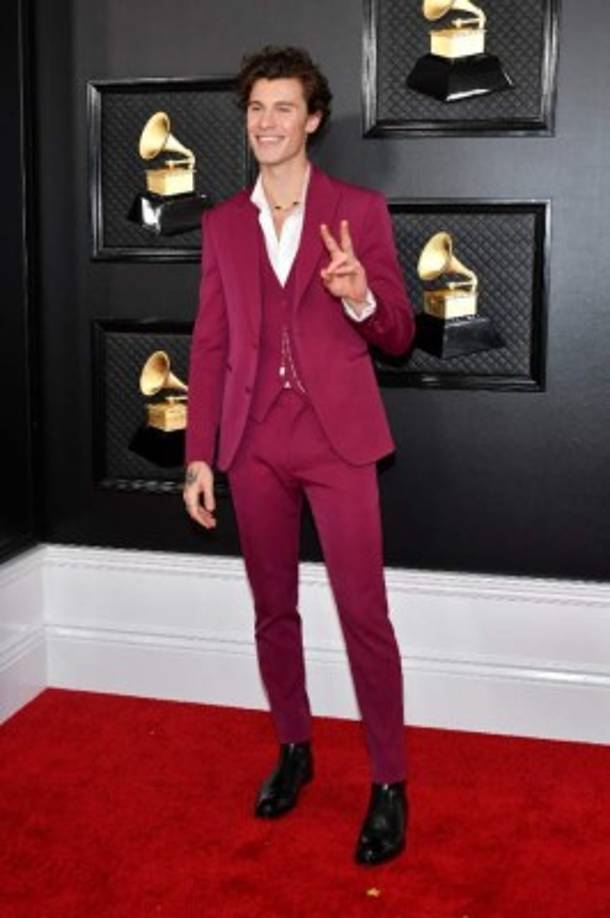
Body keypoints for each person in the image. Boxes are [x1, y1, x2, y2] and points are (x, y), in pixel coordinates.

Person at [183, 45, 415, 865]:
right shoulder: (220, 225)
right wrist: (199, 455)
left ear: (312, 119)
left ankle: (389, 781)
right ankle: (295, 747)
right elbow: (209, 346)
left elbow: (399, 334)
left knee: (363, 614)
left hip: (338, 441)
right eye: (255, 109)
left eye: (283, 108)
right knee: (272, 610)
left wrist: (358, 294)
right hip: (251, 446)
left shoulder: (359, 209)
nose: (267, 123)